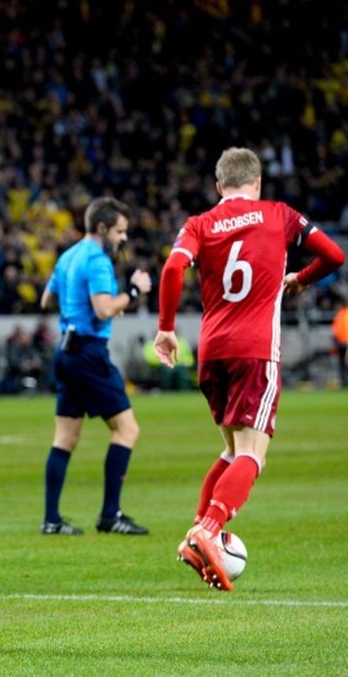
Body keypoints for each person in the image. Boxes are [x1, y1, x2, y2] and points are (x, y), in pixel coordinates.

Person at [154, 147, 344, 591]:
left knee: (229, 451)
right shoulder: (279, 215)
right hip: (256, 352)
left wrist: (165, 329)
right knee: (251, 456)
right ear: (257, 183)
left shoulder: (199, 223)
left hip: (213, 353)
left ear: (219, 186)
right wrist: (299, 278)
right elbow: (334, 256)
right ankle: (210, 529)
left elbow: (172, 268)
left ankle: (196, 533)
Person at [38, 197, 152, 536]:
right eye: (119, 231)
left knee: (65, 438)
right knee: (127, 430)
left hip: (65, 351)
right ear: (102, 228)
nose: (123, 238)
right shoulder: (98, 260)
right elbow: (103, 309)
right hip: (88, 352)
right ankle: (109, 515)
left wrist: (72, 308)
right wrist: (134, 290)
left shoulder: (68, 256)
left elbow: (47, 300)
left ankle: (52, 520)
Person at [332, 302, 348, 388]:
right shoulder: (340, 314)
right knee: (342, 363)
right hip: (340, 343)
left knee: (345, 363)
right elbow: (336, 329)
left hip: (345, 343)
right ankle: (344, 382)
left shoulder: (345, 314)